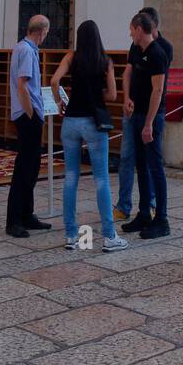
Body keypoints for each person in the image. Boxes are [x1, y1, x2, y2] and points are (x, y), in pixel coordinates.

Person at [51, 20, 128, 252]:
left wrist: (58, 101)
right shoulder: (105, 61)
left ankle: (71, 235)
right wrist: (96, 94)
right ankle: (109, 236)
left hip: (71, 121)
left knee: (71, 177)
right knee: (101, 179)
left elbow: (55, 80)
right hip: (94, 122)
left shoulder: (71, 57)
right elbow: (113, 95)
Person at [114, 6, 172, 222]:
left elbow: (158, 90)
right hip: (135, 113)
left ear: (140, 28)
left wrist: (149, 122)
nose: (130, 34)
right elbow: (128, 74)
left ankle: (160, 216)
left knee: (154, 165)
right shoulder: (137, 48)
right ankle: (143, 212)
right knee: (136, 162)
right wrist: (127, 97)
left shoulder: (159, 52)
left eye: (131, 29)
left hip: (151, 116)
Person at [5, 14, 52, 238]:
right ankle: (14, 220)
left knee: (32, 167)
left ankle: (27, 214)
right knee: (24, 168)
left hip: (29, 113)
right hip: (27, 115)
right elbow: (23, 85)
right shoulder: (25, 50)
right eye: (46, 33)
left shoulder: (25, 49)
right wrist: (32, 114)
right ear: (41, 31)